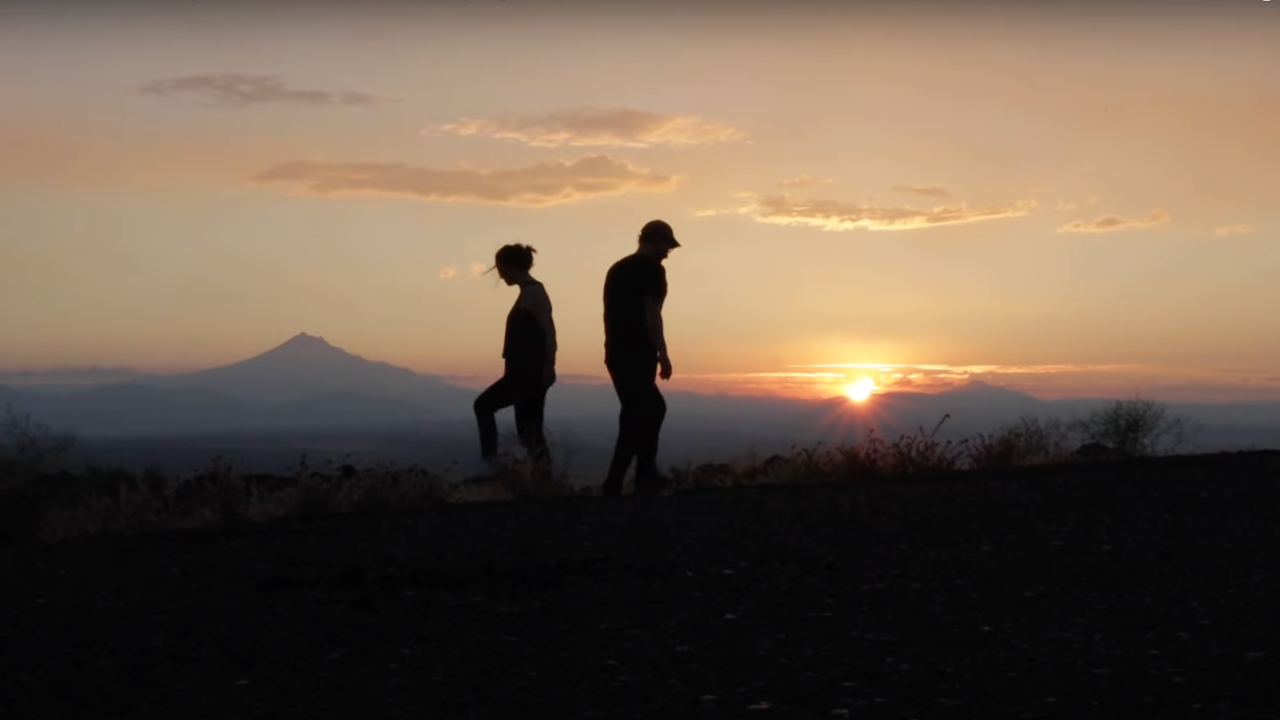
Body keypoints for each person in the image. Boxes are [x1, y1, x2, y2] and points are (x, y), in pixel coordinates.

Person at [601, 220, 679, 496]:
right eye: (667, 245)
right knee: (650, 410)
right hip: (638, 352)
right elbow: (652, 313)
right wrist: (663, 352)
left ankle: (639, 478)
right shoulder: (652, 270)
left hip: (616, 352)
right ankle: (632, 480)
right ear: (654, 241)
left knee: (637, 415)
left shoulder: (618, 268)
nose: (668, 252)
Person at [473, 244, 557, 477]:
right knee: (528, 429)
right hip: (521, 371)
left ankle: (491, 464)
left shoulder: (534, 293)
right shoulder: (528, 293)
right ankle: (543, 477)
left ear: (511, 266)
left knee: (519, 423)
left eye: (501, 269)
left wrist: (549, 365)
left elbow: (549, 331)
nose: (501, 275)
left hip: (528, 372)